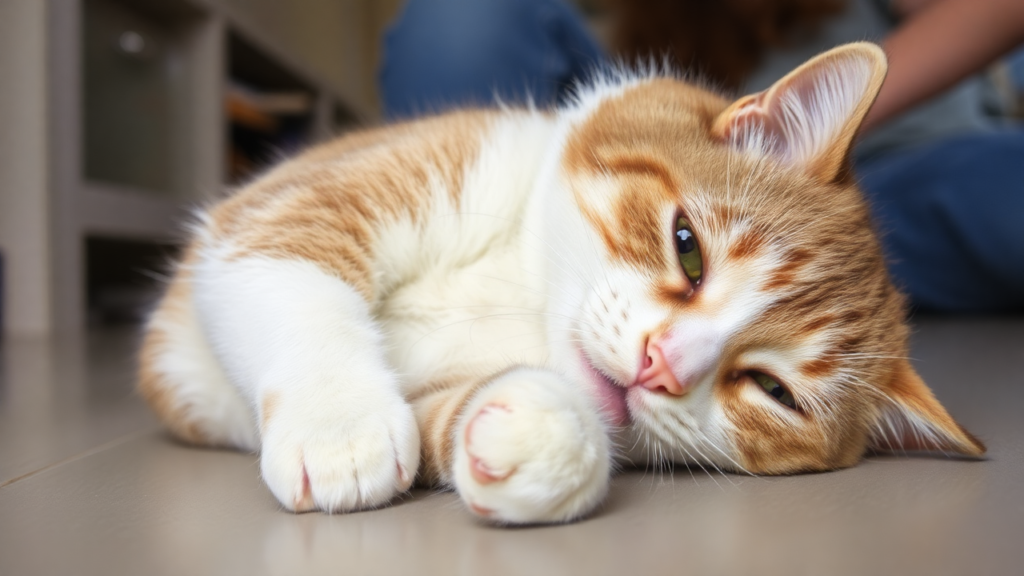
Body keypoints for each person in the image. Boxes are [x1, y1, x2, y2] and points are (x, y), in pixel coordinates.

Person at [379, 0, 1024, 313]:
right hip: (687, 178)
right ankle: (460, 275)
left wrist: (799, 121)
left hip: (896, 172)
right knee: (461, 20)